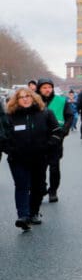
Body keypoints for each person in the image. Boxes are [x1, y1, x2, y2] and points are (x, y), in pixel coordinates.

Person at [0, 87, 60, 230]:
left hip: (39, 158)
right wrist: (10, 150)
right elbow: (3, 137)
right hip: (18, 159)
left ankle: (33, 212)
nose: (25, 99)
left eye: (28, 96)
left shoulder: (45, 113)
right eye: (21, 97)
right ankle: (23, 216)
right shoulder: (10, 116)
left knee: (38, 186)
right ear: (16, 100)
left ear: (33, 98)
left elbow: (57, 132)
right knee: (21, 186)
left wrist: (48, 145)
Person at [36, 78, 73, 203]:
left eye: (49, 87)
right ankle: (41, 189)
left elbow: (69, 117)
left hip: (56, 140)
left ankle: (53, 191)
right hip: (38, 141)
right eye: (44, 87)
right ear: (39, 89)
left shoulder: (61, 101)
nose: (47, 90)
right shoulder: (34, 101)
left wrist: (63, 132)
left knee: (54, 168)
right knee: (39, 168)